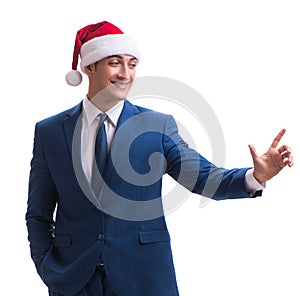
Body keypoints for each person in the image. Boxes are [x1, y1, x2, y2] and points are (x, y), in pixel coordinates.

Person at [26, 21, 293, 296]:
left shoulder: (156, 126)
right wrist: (48, 269)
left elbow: (203, 178)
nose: (125, 74)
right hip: (73, 282)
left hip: (145, 279)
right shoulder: (50, 132)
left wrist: (256, 176)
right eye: (115, 63)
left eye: (132, 64)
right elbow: (38, 214)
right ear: (90, 66)